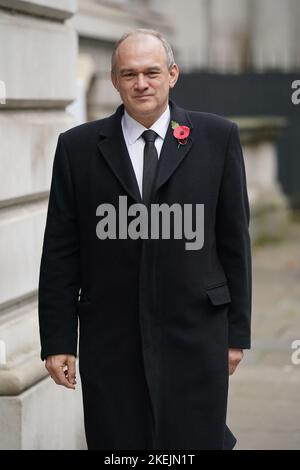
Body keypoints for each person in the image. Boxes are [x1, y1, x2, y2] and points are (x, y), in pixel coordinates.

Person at [38, 28, 252, 450]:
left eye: (152, 72)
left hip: (196, 331)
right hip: (111, 337)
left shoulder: (218, 137)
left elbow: (234, 243)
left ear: (173, 74)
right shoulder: (76, 148)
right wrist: (59, 340)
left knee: (194, 444)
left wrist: (236, 334)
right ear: (115, 80)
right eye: (129, 73)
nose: (141, 84)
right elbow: (61, 250)